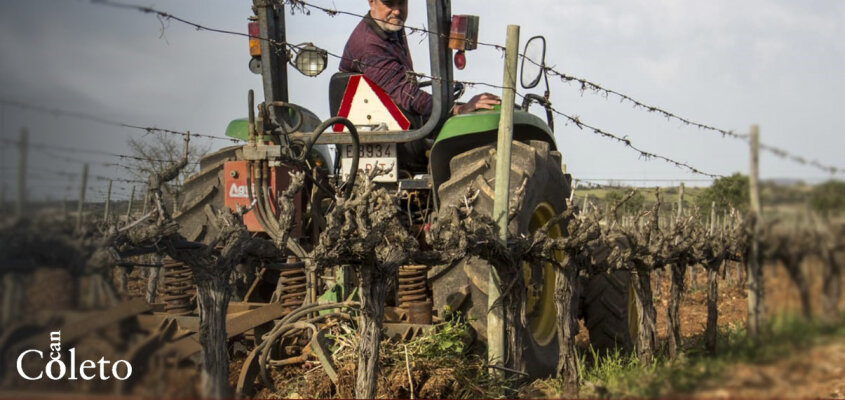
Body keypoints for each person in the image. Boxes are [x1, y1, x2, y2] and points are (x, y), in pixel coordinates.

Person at [339, 0, 500, 125]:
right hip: (387, 126)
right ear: (371, 1)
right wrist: (458, 109)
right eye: (389, 3)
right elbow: (407, 95)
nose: (396, 10)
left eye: (401, 2)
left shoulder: (388, 27)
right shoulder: (370, 45)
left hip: (402, 117)